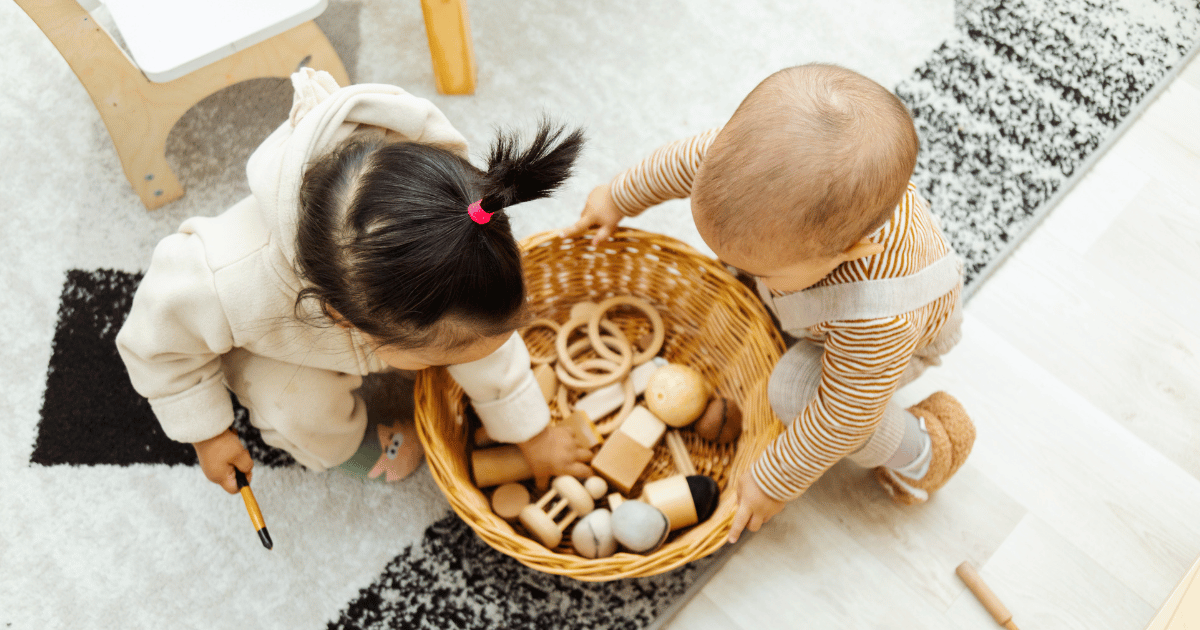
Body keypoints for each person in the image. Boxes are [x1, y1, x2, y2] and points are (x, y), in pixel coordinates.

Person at [117, 69, 593, 496]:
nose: (457, 362)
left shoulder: (458, 235)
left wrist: (531, 431)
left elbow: (485, 342)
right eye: (438, 357)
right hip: (273, 342)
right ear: (343, 318)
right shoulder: (220, 283)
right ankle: (352, 449)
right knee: (295, 406)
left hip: (382, 310)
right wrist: (207, 432)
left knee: (470, 333)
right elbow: (156, 345)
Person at [564, 63, 976, 544]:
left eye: (761, 270)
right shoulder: (747, 170)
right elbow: (679, 165)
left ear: (848, 253)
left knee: (794, 391)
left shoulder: (876, 318)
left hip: (895, 348)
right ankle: (780, 301)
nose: (728, 265)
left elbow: (843, 418)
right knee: (752, 276)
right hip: (819, 307)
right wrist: (617, 197)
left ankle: (922, 451)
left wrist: (774, 479)